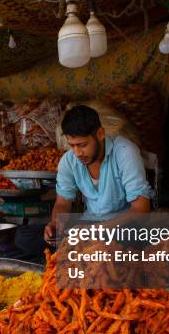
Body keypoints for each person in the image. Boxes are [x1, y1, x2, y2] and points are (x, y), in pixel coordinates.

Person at [15, 105, 153, 260]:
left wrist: (96, 231)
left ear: (100, 134)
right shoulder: (69, 160)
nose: (77, 153)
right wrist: (56, 224)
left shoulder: (124, 152)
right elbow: (62, 203)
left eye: (82, 145)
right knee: (24, 236)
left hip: (121, 228)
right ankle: (79, 256)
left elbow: (141, 209)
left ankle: (80, 256)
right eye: (72, 145)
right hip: (89, 226)